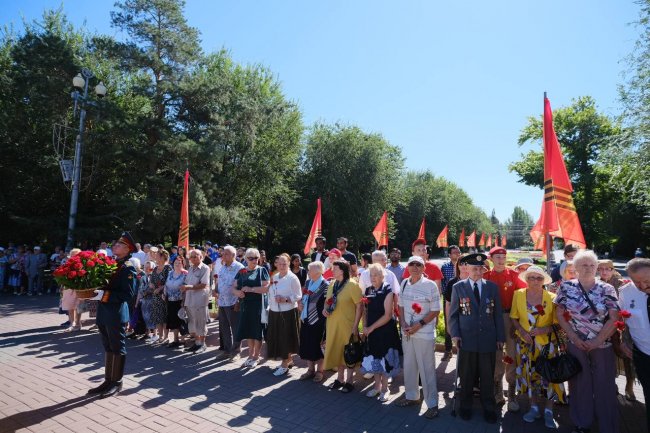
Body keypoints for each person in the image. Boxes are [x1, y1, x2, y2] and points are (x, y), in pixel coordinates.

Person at [554, 249, 620, 433]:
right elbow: (559, 313)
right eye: (584, 265)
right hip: (576, 345)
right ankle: (582, 423)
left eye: (592, 265)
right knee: (579, 384)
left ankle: (608, 425)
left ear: (597, 267)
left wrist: (597, 341)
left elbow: (614, 317)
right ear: (575, 267)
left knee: (605, 385)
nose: (589, 268)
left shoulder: (607, 288)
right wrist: (573, 337)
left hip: (603, 345)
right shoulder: (566, 287)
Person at [448, 253, 505, 424]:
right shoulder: (458, 287)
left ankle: (488, 407)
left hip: (488, 339)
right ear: (467, 268)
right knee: (466, 376)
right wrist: (455, 334)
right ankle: (465, 406)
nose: (478, 272)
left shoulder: (492, 288)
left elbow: (497, 315)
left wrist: (500, 337)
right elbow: (453, 316)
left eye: (481, 268)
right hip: (467, 339)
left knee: (487, 377)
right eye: (474, 268)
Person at [510, 266, 564, 429]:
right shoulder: (518, 295)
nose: (535, 281)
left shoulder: (552, 297)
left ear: (544, 281)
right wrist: (521, 332)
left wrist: (543, 330)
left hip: (547, 345)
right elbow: (514, 317)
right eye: (531, 278)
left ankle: (548, 411)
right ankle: (533, 408)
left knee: (549, 377)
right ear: (526, 280)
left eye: (539, 278)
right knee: (530, 375)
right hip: (526, 344)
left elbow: (559, 324)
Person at [87, 232, 138, 398]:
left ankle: (117, 382)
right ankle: (108, 380)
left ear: (127, 249)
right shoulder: (112, 263)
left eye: (118, 245)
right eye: (115, 244)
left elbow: (128, 294)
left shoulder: (128, 267)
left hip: (116, 313)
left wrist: (103, 295)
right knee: (108, 347)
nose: (114, 246)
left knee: (117, 347)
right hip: (104, 312)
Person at [395, 256, 441, 418]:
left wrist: (418, 325)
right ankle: (412, 396)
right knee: (409, 366)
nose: (415, 267)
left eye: (418, 265)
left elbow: (435, 310)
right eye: (412, 264)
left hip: (424, 334)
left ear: (424, 268)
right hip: (407, 333)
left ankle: (433, 404)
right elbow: (400, 306)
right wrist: (402, 324)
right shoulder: (405, 283)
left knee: (427, 369)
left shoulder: (430, 286)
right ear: (407, 267)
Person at [484, 246, 527, 411]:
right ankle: (497, 390)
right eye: (497, 258)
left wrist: (516, 322)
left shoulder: (515, 276)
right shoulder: (486, 276)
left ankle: (511, 392)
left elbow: (522, 298)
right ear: (491, 259)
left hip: (510, 317)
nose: (501, 261)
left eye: (503, 257)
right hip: (492, 319)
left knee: (511, 354)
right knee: (495, 354)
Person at [360, 264, 401, 403]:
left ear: (383, 276)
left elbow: (388, 315)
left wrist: (370, 328)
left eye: (376, 275)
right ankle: (376, 387)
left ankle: (385, 389)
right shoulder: (368, 290)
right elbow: (365, 310)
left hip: (385, 331)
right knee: (375, 358)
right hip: (371, 331)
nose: (373, 278)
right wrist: (364, 326)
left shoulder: (388, 290)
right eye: (371, 275)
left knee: (384, 359)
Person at [618, 258, 650, 433]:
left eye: (646, 280)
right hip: (643, 355)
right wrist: (623, 340)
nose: (642, 286)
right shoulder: (626, 292)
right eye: (636, 281)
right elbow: (623, 319)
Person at [322, 260, 363, 393]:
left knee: (349, 351)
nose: (332, 270)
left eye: (335, 268)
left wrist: (356, 326)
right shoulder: (333, 283)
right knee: (339, 351)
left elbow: (359, 305)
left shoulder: (352, 284)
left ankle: (350, 380)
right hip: (333, 323)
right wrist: (325, 309)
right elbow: (327, 301)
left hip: (348, 324)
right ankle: (340, 379)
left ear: (343, 270)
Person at [598, 259, 635, 400]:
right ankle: (612, 384)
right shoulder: (596, 284)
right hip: (603, 325)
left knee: (626, 356)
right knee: (608, 356)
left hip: (622, 325)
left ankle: (630, 386)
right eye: (601, 268)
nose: (604, 271)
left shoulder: (622, 284)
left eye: (608, 268)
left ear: (613, 270)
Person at [233, 248, 270, 367]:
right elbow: (233, 287)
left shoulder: (262, 270)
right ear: (246, 259)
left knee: (257, 331)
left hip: (258, 305)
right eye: (251, 258)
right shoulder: (242, 271)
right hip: (245, 305)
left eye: (256, 258)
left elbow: (266, 288)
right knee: (249, 330)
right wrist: (237, 292)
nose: (254, 260)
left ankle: (256, 356)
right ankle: (250, 355)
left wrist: (251, 289)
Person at [267, 253, 302, 376]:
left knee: (285, 338)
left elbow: (298, 296)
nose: (282, 266)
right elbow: (271, 292)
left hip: (288, 312)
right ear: (276, 264)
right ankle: (288, 360)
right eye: (279, 263)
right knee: (277, 337)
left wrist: (285, 299)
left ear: (289, 264)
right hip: (274, 311)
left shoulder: (292, 278)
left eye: (284, 264)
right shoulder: (275, 276)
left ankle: (284, 365)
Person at [298, 261, 328, 382]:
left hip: (319, 320)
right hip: (306, 318)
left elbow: (327, 303)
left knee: (318, 346)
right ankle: (310, 370)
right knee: (307, 344)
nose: (308, 272)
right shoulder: (308, 282)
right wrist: (300, 303)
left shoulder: (326, 285)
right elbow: (304, 297)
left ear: (318, 272)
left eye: (310, 270)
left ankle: (320, 371)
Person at [214, 245, 245, 361]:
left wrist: (238, 301)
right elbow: (220, 281)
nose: (223, 255)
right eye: (223, 253)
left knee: (235, 328)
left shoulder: (240, 267)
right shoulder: (222, 267)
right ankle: (227, 351)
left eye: (226, 253)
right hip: (222, 301)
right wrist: (215, 289)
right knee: (224, 327)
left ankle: (236, 351)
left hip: (233, 302)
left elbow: (242, 286)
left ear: (233, 255)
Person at [181, 249, 211, 354]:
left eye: (195, 256)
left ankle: (202, 344)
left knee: (201, 322)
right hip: (189, 299)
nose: (193, 258)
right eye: (191, 257)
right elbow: (186, 282)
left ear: (201, 257)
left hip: (199, 299)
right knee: (193, 322)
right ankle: (197, 342)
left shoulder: (205, 268)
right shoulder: (190, 268)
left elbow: (203, 284)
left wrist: (188, 287)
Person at [441, 245, 461, 361]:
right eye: (454, 252)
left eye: (458, 252)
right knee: (449, 323)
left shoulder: (464, 265)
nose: (457, 254)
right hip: (448, 299)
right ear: (449, 255)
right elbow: (443, 283)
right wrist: (446, 295)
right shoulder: (445, 267)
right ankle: (448, 350)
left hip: (463, 299)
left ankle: (461, 350)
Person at [163, 254, 186, 348]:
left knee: (181, 320)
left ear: (183, 264)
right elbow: (166, 284)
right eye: (175, 262)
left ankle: (183, 340)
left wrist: (184, 301)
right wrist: (164, 294)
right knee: (173, 320)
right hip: (170, 300)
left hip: (180, 300)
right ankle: (176, 340)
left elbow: (186, 288)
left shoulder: (185, 274)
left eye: (179, 263)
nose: (177, 264)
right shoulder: (170, 273)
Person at [149, 249, 171, 343]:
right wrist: (151, 284)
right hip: (155, 296)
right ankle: (160, 336)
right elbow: (151, 280)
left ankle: (166, 336)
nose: (155, 257)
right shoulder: (155, 268)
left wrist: (160, 288)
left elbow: (169, 282)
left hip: (164, 296)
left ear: (162, 257)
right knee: (157, 317)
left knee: (165, 316)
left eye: (157, 255)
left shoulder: (168, 268)